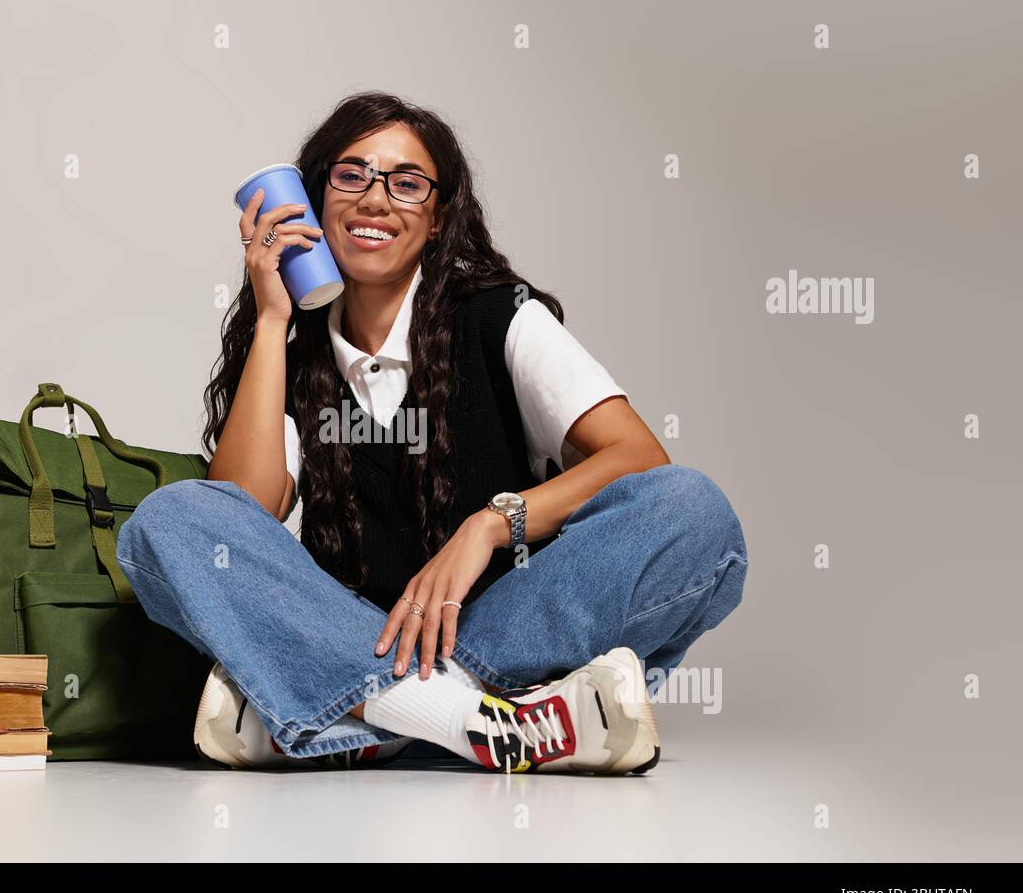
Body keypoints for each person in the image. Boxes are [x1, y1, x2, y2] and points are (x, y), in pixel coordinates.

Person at [116, 91, 748, 775]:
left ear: (439, 215)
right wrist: (272, 319)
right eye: (351, 175)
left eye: (407, 183)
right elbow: (239, 511)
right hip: (359, 633)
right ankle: (481, 723)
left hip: (504, 625)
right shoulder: (289, 354)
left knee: (692, 509)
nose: (375, 200)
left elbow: (637, 456)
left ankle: (371, 718)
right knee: (170, 522)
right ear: (313, 197)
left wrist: (490, 525)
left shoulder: (498, 316)